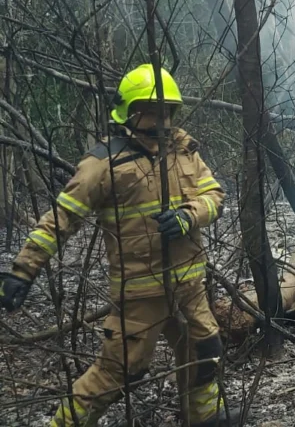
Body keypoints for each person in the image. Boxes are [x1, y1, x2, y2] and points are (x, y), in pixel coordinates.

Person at [0, 64, 237, 426]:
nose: (159, 118)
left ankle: (204, 420)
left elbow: (214, 196)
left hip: (189, 285)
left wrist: (191, 215)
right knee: (119, 371)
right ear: (128, 110)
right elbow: (61, 218)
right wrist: (23, 270)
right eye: (150, 108)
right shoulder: (103, 163)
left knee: (205, 351)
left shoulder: (184, 151)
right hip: (141, 292)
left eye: (165, 109)